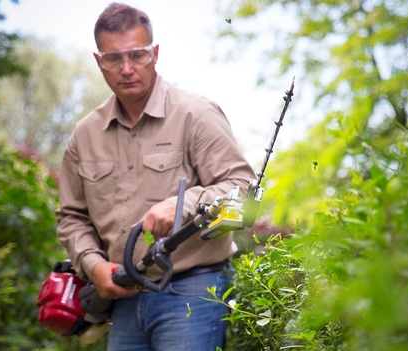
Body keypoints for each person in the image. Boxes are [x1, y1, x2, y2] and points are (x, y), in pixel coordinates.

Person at [56, 3, 256, 351]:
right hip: (121, 300)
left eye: (138, 55)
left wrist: (183, 205)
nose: (127, 68)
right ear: (98, 60)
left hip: (192, 292)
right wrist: (94, 265)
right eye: (114, 58)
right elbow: (72, 217)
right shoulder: (84, 135)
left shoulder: (197, 115)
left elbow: (243, 196)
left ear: (156, 53)